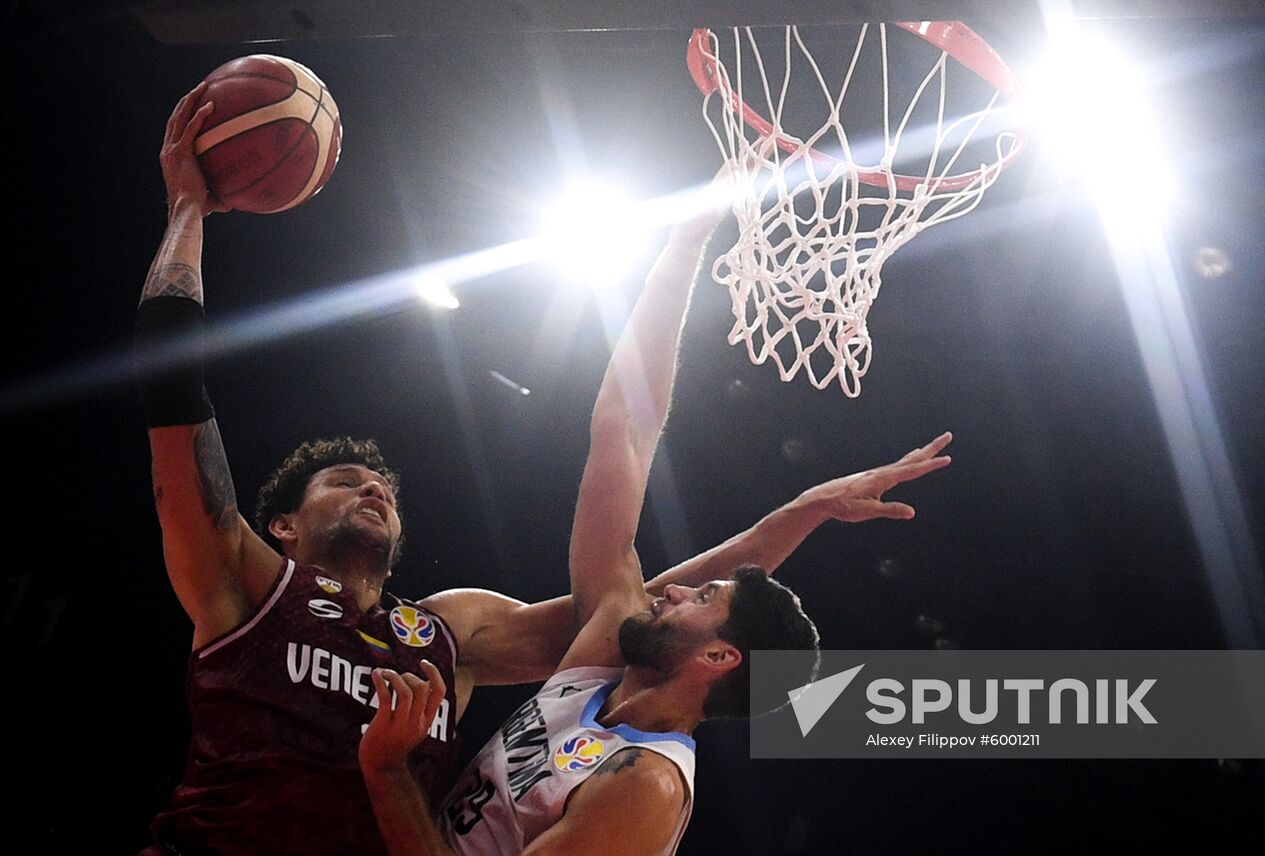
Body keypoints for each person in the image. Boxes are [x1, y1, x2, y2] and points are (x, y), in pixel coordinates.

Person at [137, 83, 949, 855]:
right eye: (342, 482)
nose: (372, 486)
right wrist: (187, 209)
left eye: (377, 481)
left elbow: (667, 606)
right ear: (282, 523)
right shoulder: (254, 588)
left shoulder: (463, 641)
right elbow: (624, 457)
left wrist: (385, 771)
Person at [356, 152, 956, 854]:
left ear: (719, 657)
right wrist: (684, 246)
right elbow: (624, 431)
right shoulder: (600, 664)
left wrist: (388, 769)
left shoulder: (644, 787)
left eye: (702, 599)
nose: (673, 592)